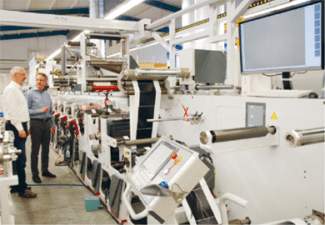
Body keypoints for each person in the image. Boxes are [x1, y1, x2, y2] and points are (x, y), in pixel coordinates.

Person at [3, 66, 36, 198]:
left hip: (19, 125)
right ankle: (23, 189)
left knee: (17, 158)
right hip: (16, 126)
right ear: (15, 75)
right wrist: (20, 128)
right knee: (20, 159)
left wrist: (24, 126)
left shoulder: (16, 90)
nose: (25, 77)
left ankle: (17, 185)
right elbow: (12, 111)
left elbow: (19, 110)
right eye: (23, 74)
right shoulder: (11, 90)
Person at [25, 73, 56, 183]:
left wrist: (52, 124)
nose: (39, 82)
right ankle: (35, 174)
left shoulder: (47, 94)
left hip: (46, 123)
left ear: (45, 82)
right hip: (36, 123)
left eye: (41, 80)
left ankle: (45, 170)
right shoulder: (29, 94)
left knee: (46, 149)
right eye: (37, 80)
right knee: (35, 150)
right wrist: (39, 111)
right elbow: (26, 110)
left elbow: (51, 110)